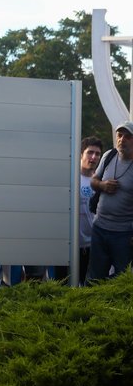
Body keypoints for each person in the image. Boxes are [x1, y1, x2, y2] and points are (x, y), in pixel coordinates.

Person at [53, 137, 102, 285]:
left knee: (87, 287)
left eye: (98, 154)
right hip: (67, 245)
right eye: (90, 152)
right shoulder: (69, 178)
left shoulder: (101, 182)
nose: (94, 157)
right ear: (81, 154)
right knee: (62, 286)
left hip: (91, 246)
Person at [88, 122, 133, 280]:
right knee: (94, 279)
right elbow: (93, 181)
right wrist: (102, 185)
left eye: (127, 136)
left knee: (121, 281)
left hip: (124, 234)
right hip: (99, 228)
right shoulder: (109, 155)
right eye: (119, 135)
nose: (122, 139)